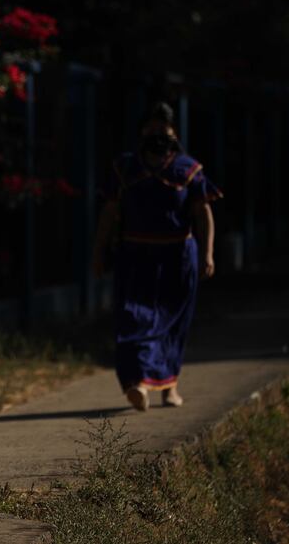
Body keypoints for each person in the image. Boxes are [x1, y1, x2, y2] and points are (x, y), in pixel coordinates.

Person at [92, 102, 221, 412]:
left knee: (172, 325)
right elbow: (109, 214)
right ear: (140, 133)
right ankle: (137, 383)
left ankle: (169, 387)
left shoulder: (188, 170)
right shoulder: (125, 169)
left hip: (178, 259)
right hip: (135, 257)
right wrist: (98, 252)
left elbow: (203, 214)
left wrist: (208, 254)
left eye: (163, 130)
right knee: (133, 319)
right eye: (151, 129)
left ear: (174, 133)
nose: (157, 135)